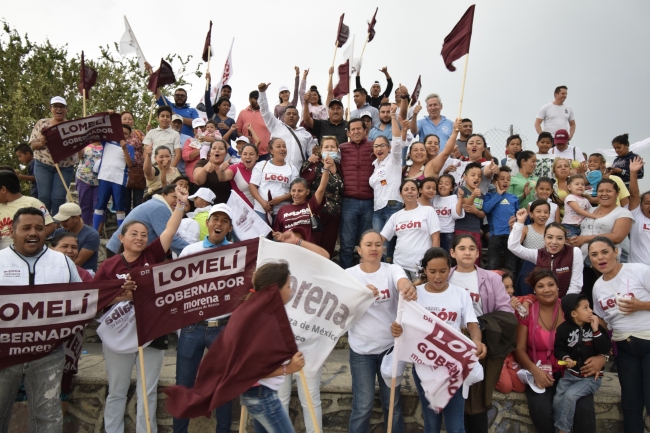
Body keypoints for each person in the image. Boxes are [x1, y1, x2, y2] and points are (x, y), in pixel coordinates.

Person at [96, 185, 188, 433]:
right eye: (133, 233)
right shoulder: (108, 266)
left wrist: (180, 203)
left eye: (144, 234)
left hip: (151, 333)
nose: (139, 238)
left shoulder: (153, 254)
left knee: (147, 390)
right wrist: (119, 296)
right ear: (122, 238)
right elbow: (95, 300)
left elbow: (170, 229)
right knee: (117, 390)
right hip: (117, 334)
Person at [0, 207, 85, 432]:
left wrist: (119, 291)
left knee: (48, 419)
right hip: (4, 353)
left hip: (48, 353)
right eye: (26, 227)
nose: (33, 232)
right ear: (12, 230)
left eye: (39, 228)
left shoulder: (63, 262)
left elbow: (82, 299)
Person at [391, 247, 486, 433]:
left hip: (453, 365)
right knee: (431, 425)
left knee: (456, 426)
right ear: (424, 270)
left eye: (443, 271)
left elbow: (472, 324)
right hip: (424, 365)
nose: (437, 276)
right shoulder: (413, 294)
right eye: (432, 271)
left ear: (450, 269)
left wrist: (477, 340)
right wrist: (396, 328)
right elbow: (402, 326)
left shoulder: (460, 294)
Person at [513, 269, 601, 433]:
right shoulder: (527, 313)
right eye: (540, 286)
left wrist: (602, 357)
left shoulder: (571, 310)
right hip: (539, 372)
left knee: (584, 409)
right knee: (540, 410)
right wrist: (535, 371)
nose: (547, 289)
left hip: (572, 372)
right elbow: (519, 349)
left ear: (558, 286)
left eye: (550, 284)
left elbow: (596, 336)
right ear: (534, 290)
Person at [347, 229, 417, 433]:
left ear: (383, 248)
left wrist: (407, 287)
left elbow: (402, 282)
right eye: (368, 245)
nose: (373, 248)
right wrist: (361, 296)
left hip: (390, 349)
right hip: (361, 350)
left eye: (378, 244)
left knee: (393, 405)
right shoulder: (348, 275)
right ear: (359, 250)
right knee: (362, 406)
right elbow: (343, 308)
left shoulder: (392, 269)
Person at [173, 203, 235, 433]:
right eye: (215, 219)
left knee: (223, 387)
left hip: (223, 327)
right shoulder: (189, 251)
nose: (218, 224)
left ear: (229, 228)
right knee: (184, 385)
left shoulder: (239, 253)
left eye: (224, 221)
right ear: (207, 223)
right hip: (192, 328)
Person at [446, 236, 515, 432]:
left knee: (476, 399)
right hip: (451, 345)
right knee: (455, 397)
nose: (467, 252)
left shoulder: (492, 278)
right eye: (461, 248)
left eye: (471, 248)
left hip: (480, 344)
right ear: (453, 253)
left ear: (478, 253)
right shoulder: (446, 277)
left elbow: (506, 311)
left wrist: (481, 325)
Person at [589, 237, 650, 433]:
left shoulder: (639, 270)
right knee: (630, 404)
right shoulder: (598, 286)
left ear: (616, 251)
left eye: (604, 252)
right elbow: (606, 320)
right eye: (594, 255)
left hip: (648, 340)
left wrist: (640, 305)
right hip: (624, 348)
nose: (600, 258)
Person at [239, 260, 305, 433]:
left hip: (258, 394)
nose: (291, 290)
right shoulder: (265, 320)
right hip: (261, 394)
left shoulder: (259, 313)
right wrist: (288, 368)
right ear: (276, 290)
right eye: (288, 286)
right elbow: (252, 369)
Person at [552, 293, 610, 433]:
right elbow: (559, 349)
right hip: (570, 375)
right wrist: (566, 358)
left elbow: (605, 348)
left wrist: (596, 331)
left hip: (589, 378)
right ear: (574, 313)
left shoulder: (595, 327)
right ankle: (560, 427)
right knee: (557, 400)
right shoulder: (563, 329)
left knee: (570, 396)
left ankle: (563, 430)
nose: (591, 311)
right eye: (585, 308)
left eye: (589, 307)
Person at [568, 179, 634, 299]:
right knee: (586, 299)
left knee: (605, 298)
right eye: (601, 191)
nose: (604, 194)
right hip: (582, 263)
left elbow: (617, 237)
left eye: (609, 191)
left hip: (605, 265)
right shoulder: (590, 210)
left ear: (617, 193)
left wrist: (585, 239)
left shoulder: (623, 213)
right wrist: (575, 240)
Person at [509, 209, 583, 297]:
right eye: (550, 237)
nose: (554, 242)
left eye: (559, 238)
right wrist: (520, 222)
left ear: (565, 239)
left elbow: (576, 284)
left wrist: (565, 304)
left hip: (567, 303)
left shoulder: (574, 252)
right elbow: (513, 247)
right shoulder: (537, 254)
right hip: (543, 303)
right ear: (544, 238)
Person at [380, 179, 441, 279]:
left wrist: (432, 263)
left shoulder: (428, 211)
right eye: (406, 189)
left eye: (413, 189)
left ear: (418, 193)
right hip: (399, 267)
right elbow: (381, 238)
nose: (409, 191)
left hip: (421, 267)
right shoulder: (395, 216)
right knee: (402, 295)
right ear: (400, 194)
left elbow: (436, 239)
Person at [370, 111, 410, 262]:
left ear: (388, 147)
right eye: (376, 146)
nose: (379, 149)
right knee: (377, 247)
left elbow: (398, 141)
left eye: (382, 145)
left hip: (392, 208)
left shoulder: (394, 160)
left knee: (386, 250)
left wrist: (393, 118)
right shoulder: (375, 165)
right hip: (377, 211)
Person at [28, 96, 79, 216]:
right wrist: (41, 142)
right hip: (43, 165)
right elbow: (33, 145)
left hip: (65, 166)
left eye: (61, 106)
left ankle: (57, 228)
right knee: (44, 197)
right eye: (55, 106)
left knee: (58, 198)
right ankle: (44, 225)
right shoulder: (42, 123)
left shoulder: (72, 126)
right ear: (51, 108)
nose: (58, 109)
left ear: (66, 109)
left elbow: (78, 144)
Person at [106, 184, 189, 256]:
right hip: (120, 251)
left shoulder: (157, 204)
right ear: (163, 195)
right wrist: (194, 250)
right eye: (174, 197)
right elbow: (170, 238)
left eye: (179, 199)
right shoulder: (159, 208)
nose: (176, 200)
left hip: (127, 250)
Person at [338, 118, 375, 269]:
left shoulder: (374, 146)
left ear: (365, 130)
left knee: (366, 242)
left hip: (369, 201)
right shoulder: (342, 148)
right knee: (346, 243)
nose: (356, 132)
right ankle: (345, 274)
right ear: (348, 132)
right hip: (349, 202)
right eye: (352, 129)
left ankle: (366, 273)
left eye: (359, 128)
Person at [425, 125, 499, 194]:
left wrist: (491, 168)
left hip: (473, 205)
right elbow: (442, 156)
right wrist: (445, 171)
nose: (474, 145)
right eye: (471, 143)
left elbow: (487, 171)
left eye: (478, 143)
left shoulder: (486, 164)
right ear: (466, 148)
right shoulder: (455, 162)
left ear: (483, 148)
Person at [258, 82, 315, 168]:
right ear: (283, 117)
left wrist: (315, 155)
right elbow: (265, 111)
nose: (291, 115)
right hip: (277, 173)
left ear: (299, 118)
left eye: (294, 114)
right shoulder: (276, 126)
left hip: (297, 175)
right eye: (288, 114)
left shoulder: (305, 134)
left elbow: (313, 153)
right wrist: (262, 93)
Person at [272, 159, 329, 244]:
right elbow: (276, 234)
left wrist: (326, 169)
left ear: (307, 192)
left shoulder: (312, 205)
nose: (296, 194)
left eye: (300, 191)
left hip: (308, 250)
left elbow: (321, 189)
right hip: (288, 250)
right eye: (293, 190)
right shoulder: (282, 210)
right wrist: (278, 236)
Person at [307, 136, 344, 258]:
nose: (329, 150)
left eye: (332, 147)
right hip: (317, 215)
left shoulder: (340, 167)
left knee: (328, 251)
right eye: (326, 147)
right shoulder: (313, 165)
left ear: (337, 149)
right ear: (320, 150)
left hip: (334, 217)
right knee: (314, 250)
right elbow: (304, 187)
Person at [0, 170, 55, 250]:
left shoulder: (33, 203)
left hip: (27, 253)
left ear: (3, 189)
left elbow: (50, 226)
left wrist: (31, 240)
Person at [93, 126, 135, 230]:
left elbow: (130, 164)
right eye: (120, 132)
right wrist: (109, 115)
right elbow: (99, 131)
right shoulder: (106, 142)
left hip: (119, 180)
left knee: (119, 207)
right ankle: (94, 231)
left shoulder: (129, 147)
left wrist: (124, 148)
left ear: (129, 136)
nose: (122, 135)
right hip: (104, 177)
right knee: (100, 205)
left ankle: (121, 232)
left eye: (125, 133)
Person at [249, 138, 299, 225]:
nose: (282, 149)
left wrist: (281, 199)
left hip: (283, 211)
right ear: (271, 151)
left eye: (284, 146)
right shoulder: (262, 165)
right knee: (261, 237)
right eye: (278, 147)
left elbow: (296, 190)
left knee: (278, 238)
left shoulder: (292, 168)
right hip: (261, 210)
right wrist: (262, 203)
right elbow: (252, 186)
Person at [484, 167, 520, 275]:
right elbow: (486, 209)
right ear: (495, 182)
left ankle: (511, 290)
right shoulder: (489, 196)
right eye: (502, 178)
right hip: (496, 236)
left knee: (512, 265)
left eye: (508, 179)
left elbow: (518, 216)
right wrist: (498, 194)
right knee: (493, 265)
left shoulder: (513, 198)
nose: (505, 181)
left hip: (511, 236)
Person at [514, 200, 550, 295]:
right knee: (527, 292)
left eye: (546, 212)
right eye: (538, 211)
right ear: (531, 214)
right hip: (529, 265)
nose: (542, 215)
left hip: (546, 265)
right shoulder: (526, 228)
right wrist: (513, 230)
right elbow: (515, 245)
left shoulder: (551, 230)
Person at [53, 203, 100, 273]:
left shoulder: (91, 235)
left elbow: (78, 262)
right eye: (61, 220)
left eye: (65, 220)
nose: (62, 223)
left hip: (85, 273)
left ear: (77, 218)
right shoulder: (59, 232)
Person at [454, 163, 486, 264]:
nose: (476, 178)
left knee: (475, 258)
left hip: (475, 230)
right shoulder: (461, 190)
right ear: (465, 177)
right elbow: (465, 204)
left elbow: (482, 214)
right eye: (473, 175)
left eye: (479, 176)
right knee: (461, 258)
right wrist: (473, 195)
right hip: (461, 229)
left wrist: (475, 211)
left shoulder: (481, 195)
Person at [216, 143, 259, 208]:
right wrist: (221, 170)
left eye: (251, 154)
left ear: (257, 157)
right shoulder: (235, 168)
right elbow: (222, 178)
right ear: (241, 156)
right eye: (245, 154)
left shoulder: (261, 168)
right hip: (240, 211)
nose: (248, 156)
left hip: (260, 210)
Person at [121, 111, 146, 214]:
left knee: (138, 200)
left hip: (138, 170)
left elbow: (146, 144)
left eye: (130, 118)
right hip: (123, 170)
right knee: (124, 200)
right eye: (125, 118)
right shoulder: (117, 133)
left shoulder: (138, 133)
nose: (127, 120)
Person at [433, 174, 464, 252]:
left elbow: (456, 215)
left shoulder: (453, 198)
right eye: (440, 183)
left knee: (446, 256)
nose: (443, 185)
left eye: (446, 184)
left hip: (447, 233)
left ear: (452, 188)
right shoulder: (434, 198)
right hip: (434, 233)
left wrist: (460, 198)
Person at [236, 90, 271, 160]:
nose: (258, 101)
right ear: (249, 99)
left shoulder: (266, 113)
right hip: (248, 155)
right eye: (256, 98)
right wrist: (244, 138)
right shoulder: (243, 113)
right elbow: (237, 131)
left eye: (259, 99)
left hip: (266, 154)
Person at [627, 157, 650, 264]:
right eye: (647, 203)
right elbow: (634, 195)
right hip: (637, 273)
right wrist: (633, 173)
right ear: (640, 206)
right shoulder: (637, 217)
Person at [182, 118, 208, 183]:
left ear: (205, 128)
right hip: (193, 173)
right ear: (194, 130)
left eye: (201, 127)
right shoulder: (189, 141)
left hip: (209, 170)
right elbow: (186, 156)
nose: (199, 129)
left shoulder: (211, 139)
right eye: (196, 128)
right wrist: (202, 149)